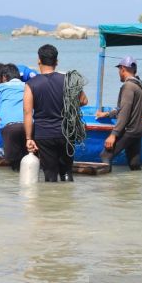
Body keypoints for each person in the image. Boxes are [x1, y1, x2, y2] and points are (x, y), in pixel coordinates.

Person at [24, 44, 88, 182]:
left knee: (50, 174)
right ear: (56, 62)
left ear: (39, 61)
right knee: (66, 171)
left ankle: (51, 202)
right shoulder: (68, 80)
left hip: (44, 134)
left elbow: (27, 112)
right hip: (66, 133)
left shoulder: (31, 84)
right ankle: (67, 200)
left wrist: (29, 138)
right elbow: (84, 101)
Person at [95, 55, 142, 171]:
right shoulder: (140, 85)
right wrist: (106, 114)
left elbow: (124, 112)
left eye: (119, 70)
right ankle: (135, 187)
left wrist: (114, 134)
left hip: (129, 131)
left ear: (123, 69)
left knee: (105, 155)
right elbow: (123, 108)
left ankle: (109, 187)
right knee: (134, 164)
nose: (119, 72)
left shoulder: (128, 87)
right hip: (138, 131)